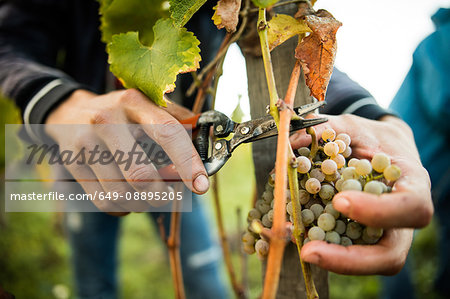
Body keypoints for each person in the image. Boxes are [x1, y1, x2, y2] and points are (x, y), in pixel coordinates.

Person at [0, 0, 433, 297]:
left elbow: (276, 44)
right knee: (93, 284)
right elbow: (9, 43)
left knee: (205, 283)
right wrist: (57, 102)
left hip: (184, 160)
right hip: (81, 155)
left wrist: (372, 114)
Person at [383, 8, 450, 298]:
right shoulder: (440, 41)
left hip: (436, 155)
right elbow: (444, 103)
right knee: (391, 233)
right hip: (409, 152)